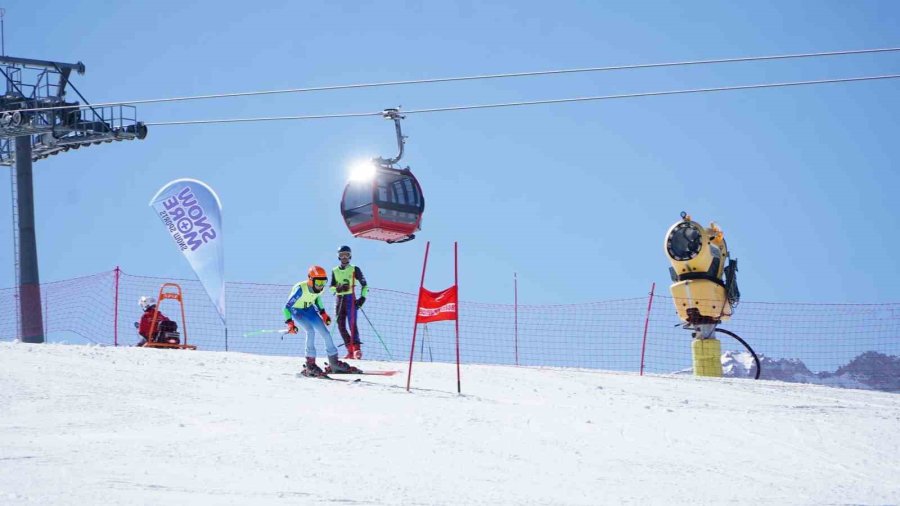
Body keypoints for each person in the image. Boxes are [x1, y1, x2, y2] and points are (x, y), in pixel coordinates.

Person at [284, 265, 359, 377]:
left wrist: (323, 313)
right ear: (310, 279)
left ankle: (334, 364)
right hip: (297, 311)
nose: (320, 286)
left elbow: (317, 298)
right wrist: (290, 323)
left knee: (326, 333)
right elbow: (286, 307)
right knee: (310, 331)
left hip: (310, 310)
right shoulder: (300, 289)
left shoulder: (319, 288)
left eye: (323, 283)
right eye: (318, 282)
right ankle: (310, 365)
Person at [330, 245, 368, 359]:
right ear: (338, 257)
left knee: (352, 324)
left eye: (347, 254)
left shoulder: (354, 269)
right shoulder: (335, 270)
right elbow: (331, 287)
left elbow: (365, 285)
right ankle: (350, 350)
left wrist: (362, 298)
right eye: (342, 255)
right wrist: (339, 288)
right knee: (340, 325)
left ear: (350, 256)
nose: (344, 257)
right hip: (339, 299)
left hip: (350, 299)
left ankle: (357, 349)